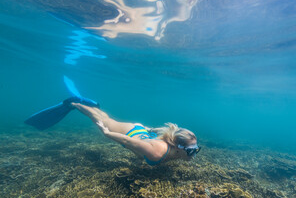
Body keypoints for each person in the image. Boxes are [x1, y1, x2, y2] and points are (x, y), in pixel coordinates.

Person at [24, 76, 201, 166]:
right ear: (178, 148)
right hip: (131, 132)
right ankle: (74, 103)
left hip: (143, 132)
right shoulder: (157, 152)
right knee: (100, 119)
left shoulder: (174, 151)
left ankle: (91, 103)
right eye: (192, 151)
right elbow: (127, 141)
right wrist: (106, 133)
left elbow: (144, 147)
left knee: (105, 116)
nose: (194, 154)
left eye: (195, 150)